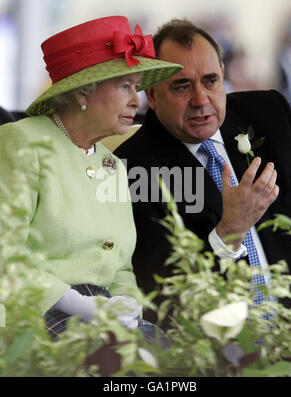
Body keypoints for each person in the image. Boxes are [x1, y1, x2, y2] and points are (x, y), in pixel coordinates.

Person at [0, 16, 182, 338]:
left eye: (137, 87)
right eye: (125, 86)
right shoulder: (23, 141)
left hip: (104, 319)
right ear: (84, 91)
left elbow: (121, 266)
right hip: (34, 316)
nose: (136, 101)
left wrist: (127, 303)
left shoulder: (112, 164)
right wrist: (77, 304)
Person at [115, 19, 291, 323]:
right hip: (216, 345)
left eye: (211, 81)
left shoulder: (268, 114)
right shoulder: (131, 171)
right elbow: (164, 296)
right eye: (182, 86)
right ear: (152, 96)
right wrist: (229, 230)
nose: (201, 100)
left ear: (223, 77)